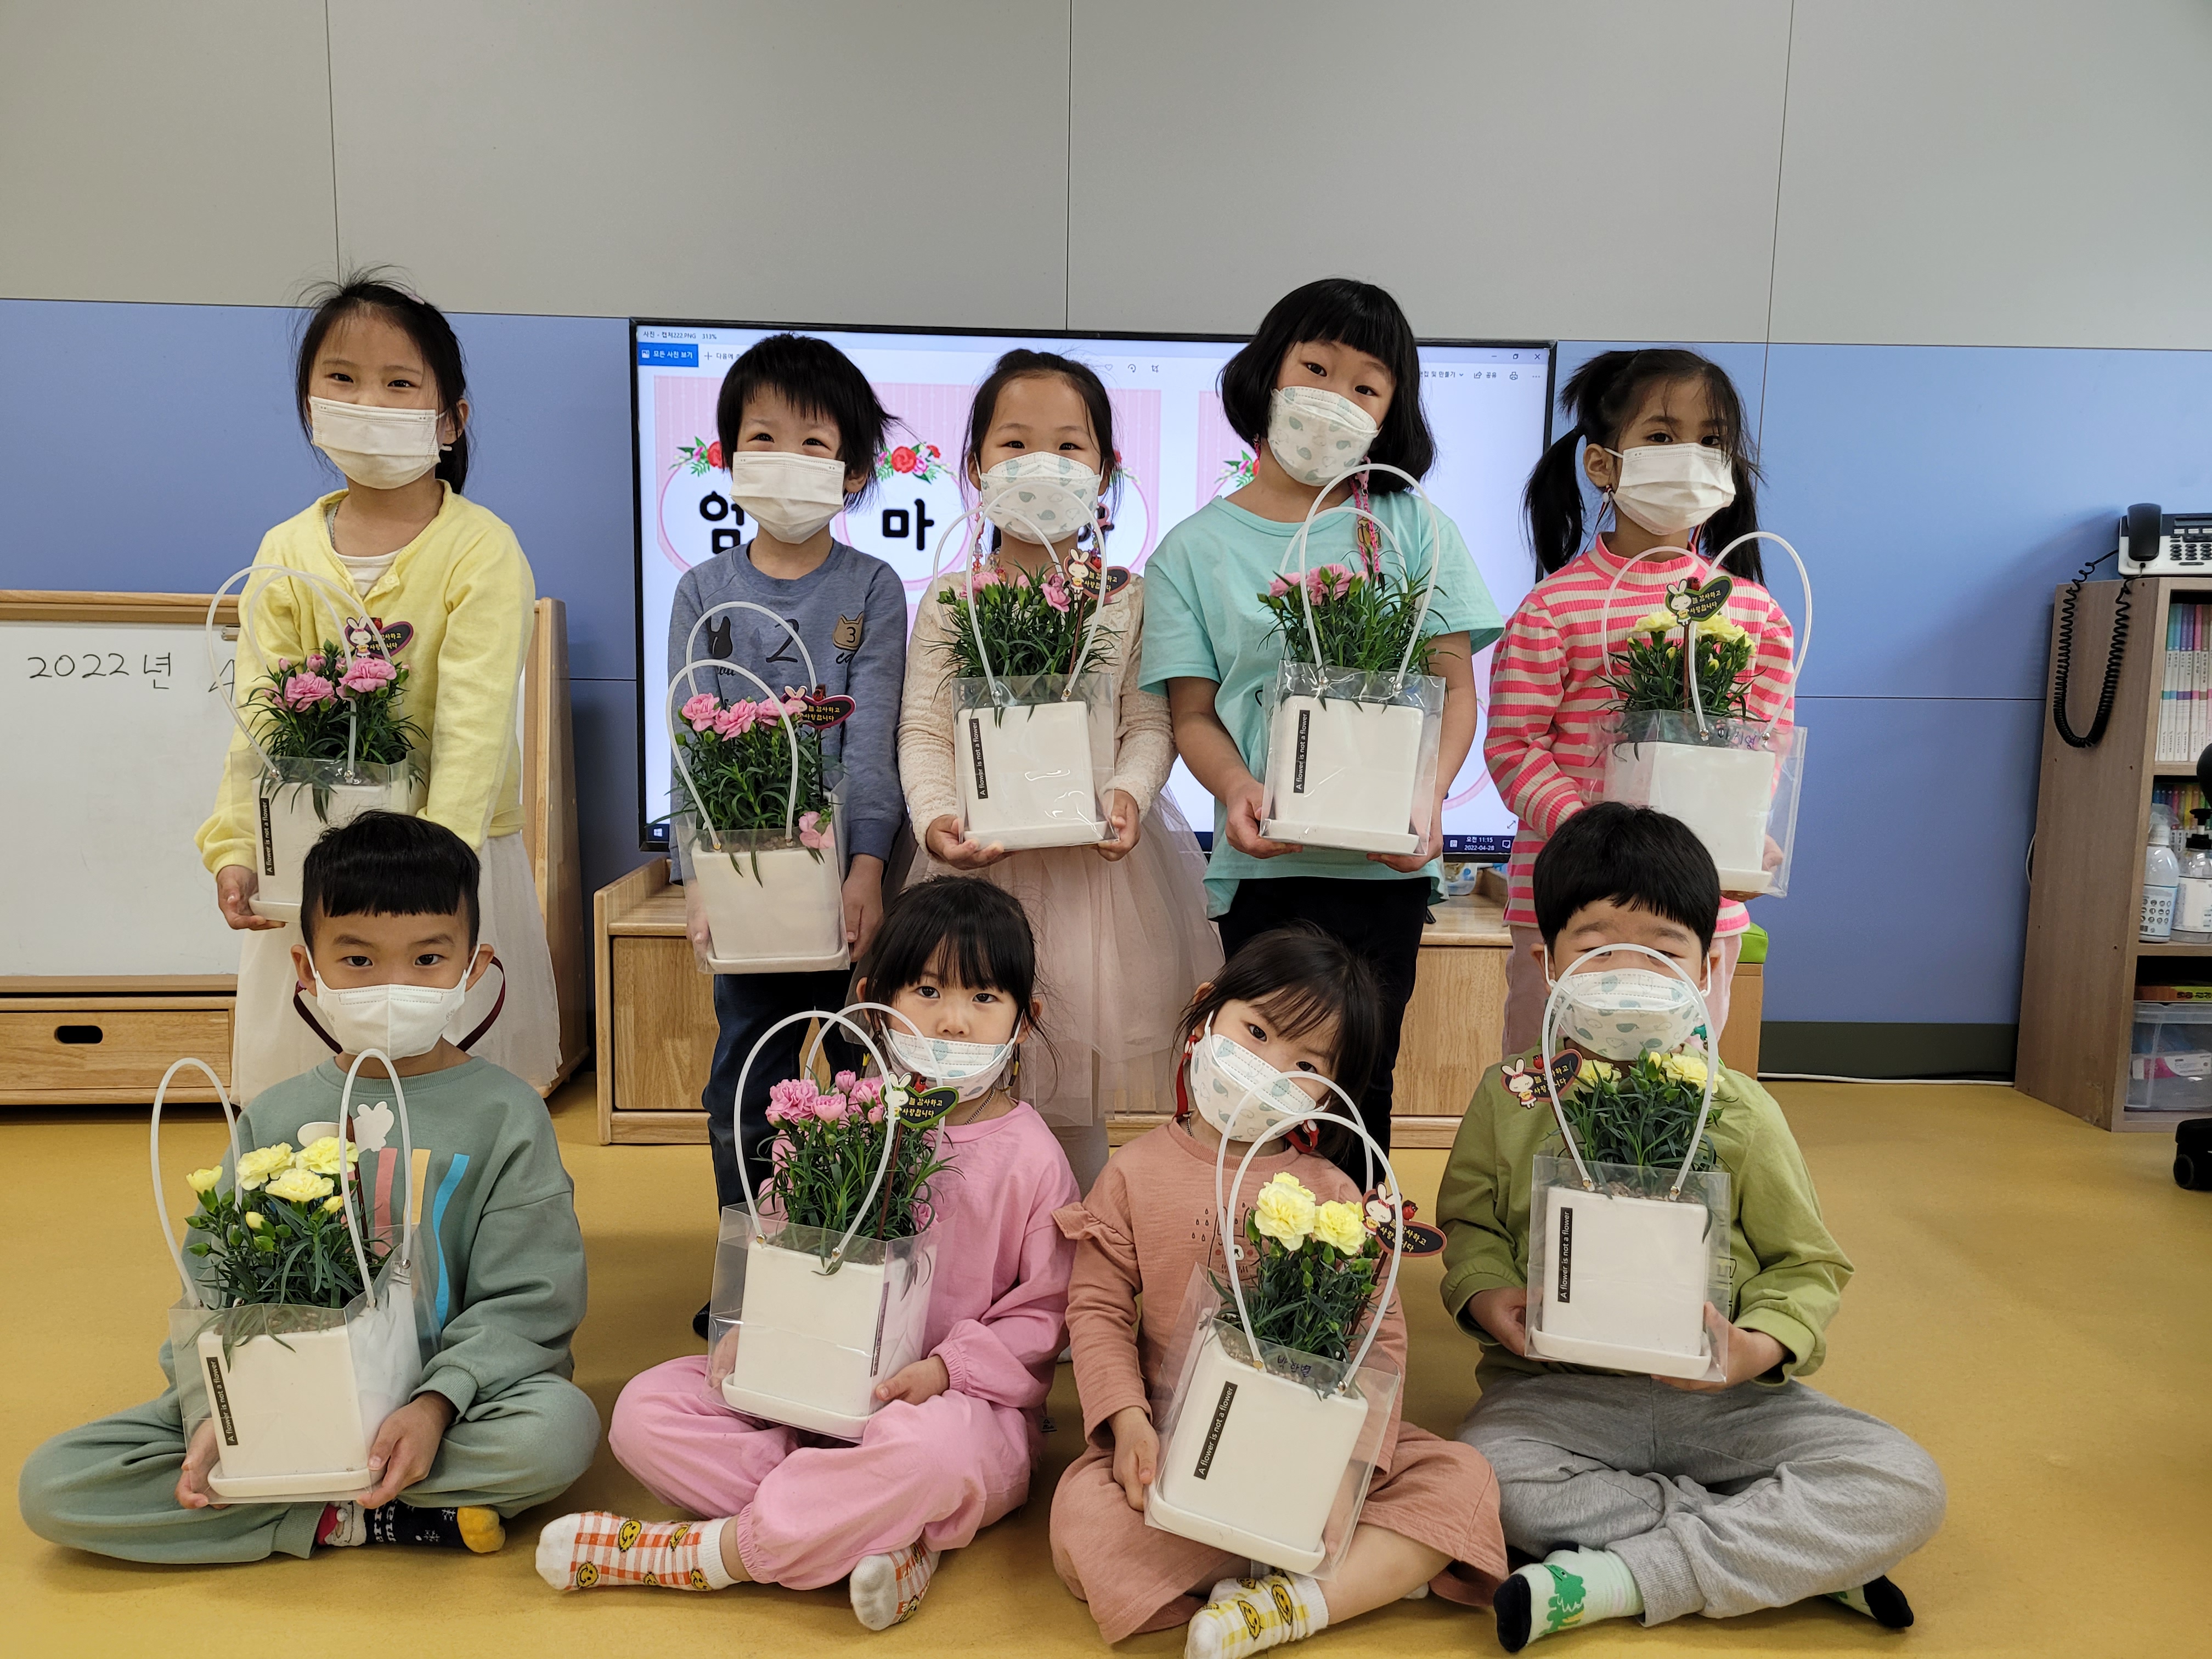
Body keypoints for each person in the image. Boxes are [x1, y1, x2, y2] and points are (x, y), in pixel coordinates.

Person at [20, 812, 599, 1562]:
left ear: (473, 966)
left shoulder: (508, 1113)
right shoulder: (274, 1115)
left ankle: (301, 1501)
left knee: (556, 1434)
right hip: (279, 1400)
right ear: (307, 968)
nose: (393, 984)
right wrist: (216, 1415)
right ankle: (362, 1514)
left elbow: (532, 1298)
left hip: (458, 1402)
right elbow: (212, 1288)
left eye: (428, 958)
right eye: (358, 960)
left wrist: (436, 1403)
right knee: (54, 1484)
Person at [1435, 803, 1945, 1651]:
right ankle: (1778, 1552)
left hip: (1726, 1401)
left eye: (1663, 950)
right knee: (1488, 1480)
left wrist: (1755, 1348)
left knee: (1903, 1482)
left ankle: (1615, 1577)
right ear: (1546, 962)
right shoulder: (1510, 1096)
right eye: (1596, 947)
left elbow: (1806, 1264)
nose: (1628, 971)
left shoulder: (1741, 1109)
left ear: (1708, 968)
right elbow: (1469, 1226)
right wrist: (1490, 1298)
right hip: (1557, 1398)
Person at [540, 877, 1077, 1631]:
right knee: (643, 1412)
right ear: (875, 1003)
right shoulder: (840, 1125)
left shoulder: (1033, 1159)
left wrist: (945, 1371)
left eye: (984, 997)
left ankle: (713, 1554)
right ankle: (870, 1526)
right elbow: (779, 1240)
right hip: (806, 1392)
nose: (954, 1021)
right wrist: (751, 1333)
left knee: (933, 1458)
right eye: (928, 991)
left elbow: (1043, 1318)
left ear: (1025, 1022)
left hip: (949, 1410)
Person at [1051, 924, 1506, 1656]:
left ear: (1332, 1094)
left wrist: (1348, 1474)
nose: (1267, 1069)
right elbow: (1099, 1311)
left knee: (1465, 1479)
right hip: (1175, 1439)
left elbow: (1378, 1341)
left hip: (1311, 1445)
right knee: (1083, 1523)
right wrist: (1130, 1425)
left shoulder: (1337, 1194)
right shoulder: (1133, 1171)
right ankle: (1320, 1567)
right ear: (1207, 1013)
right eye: (1256, 1032)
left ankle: (1286, 1606)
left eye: (1304, 1064)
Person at [1143, 278, 1503, 1177]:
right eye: (1315, 367)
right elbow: (1193, 714)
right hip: (1264, 870)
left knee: (1358, 1087)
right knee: (1251, 1089)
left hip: (1383, 873)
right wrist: (1236, 787)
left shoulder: (1414, 529)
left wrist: (1429, 796)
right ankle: (1244, 1247)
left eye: (1365, 385)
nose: (1334, 397)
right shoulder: (1192, 550)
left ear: (1391, 412)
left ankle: (1354, 1248)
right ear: (1267, 370)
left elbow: (1455, 690)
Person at [198, 274, 561, 1100]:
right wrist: (235, 848)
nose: (369, 401)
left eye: (399, 383)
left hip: (453, 859)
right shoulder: (284, 550)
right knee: (313, 1091)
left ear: (450, 419)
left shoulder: (481, 548)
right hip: (309, 862)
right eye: (343, 378)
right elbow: (256, 718)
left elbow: (474, 723)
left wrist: (437, 876)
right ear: (310, 405)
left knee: (457, 1084)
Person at [899, 349, 1218, 1192]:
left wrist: (1128, 794)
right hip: (976, 874)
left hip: (1095, 888)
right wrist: (935, 817)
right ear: (976, 467)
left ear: (1105, 470)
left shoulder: (1126, 598)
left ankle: (1072, 1258)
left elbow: (1148, 724)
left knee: (1076, 1101)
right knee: (959, 1086)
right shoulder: (951, 599)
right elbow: (926, 731)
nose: (1041, 463)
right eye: (1014, 443)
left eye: (1069, 446)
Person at [666, 332, 910, 1322]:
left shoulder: (872, 587)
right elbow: (689, 749)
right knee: (746, 1076)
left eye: (814, 442)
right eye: (763, 437)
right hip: (746, 890)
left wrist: (867, 867)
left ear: (853, 471)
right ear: (729, 457)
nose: (786, 458)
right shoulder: (702, 589)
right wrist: (696, 881)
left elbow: (871, 742)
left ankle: (850, 1266)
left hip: (849, 887)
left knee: (858, 1077)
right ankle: (751, 1269)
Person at [1488, 349, 1795, 1055]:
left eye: (1711, 441)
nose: (1690, 456)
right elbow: (1512, 747)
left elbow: (1764, 747)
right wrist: (1598, 841)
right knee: (1550, 1081)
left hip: (1693, 913)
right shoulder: (1553, 608)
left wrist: (1742, 832)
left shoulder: (1755, 614)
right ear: (1603, 465)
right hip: (1568, 907)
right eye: (1661, 436)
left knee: (1676, 1087)